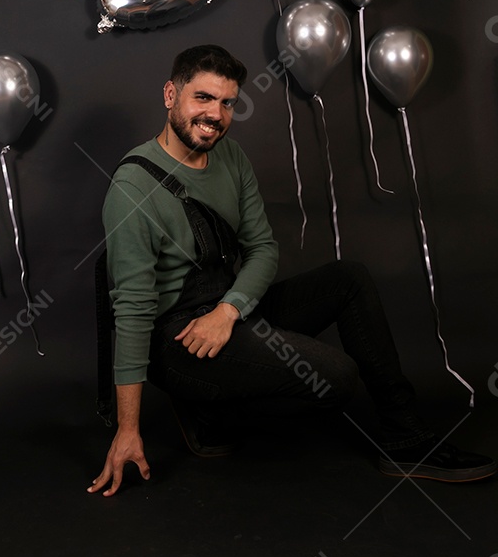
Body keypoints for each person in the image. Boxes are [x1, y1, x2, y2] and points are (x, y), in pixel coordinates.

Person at [87, 44, 495, 496]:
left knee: (350, 279)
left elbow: (262, 248)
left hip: (225, 310)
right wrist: (128, 429)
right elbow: (133, 310)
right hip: (178, 339)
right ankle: (209, 411)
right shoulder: (132, 187)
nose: (216, 115)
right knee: (337, 378)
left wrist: (228, 311)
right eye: (203, 98)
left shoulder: (231, 156)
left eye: (227, 103)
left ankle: (406, 437)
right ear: (170, 95)